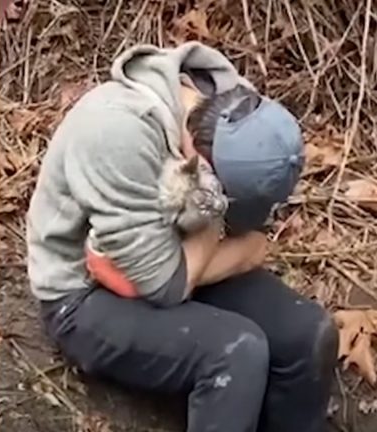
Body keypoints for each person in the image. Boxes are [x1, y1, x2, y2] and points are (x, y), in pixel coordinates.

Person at [26, 41, 338, 432]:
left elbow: (247, 234)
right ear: (204, 166)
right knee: (236, 353)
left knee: (307, 335)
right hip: (84, 294)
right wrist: (235, 249)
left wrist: (222, 232)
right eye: (223, 196)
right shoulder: (118, 133)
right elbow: (164, 284)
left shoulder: (241, 117)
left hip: (175, 253)